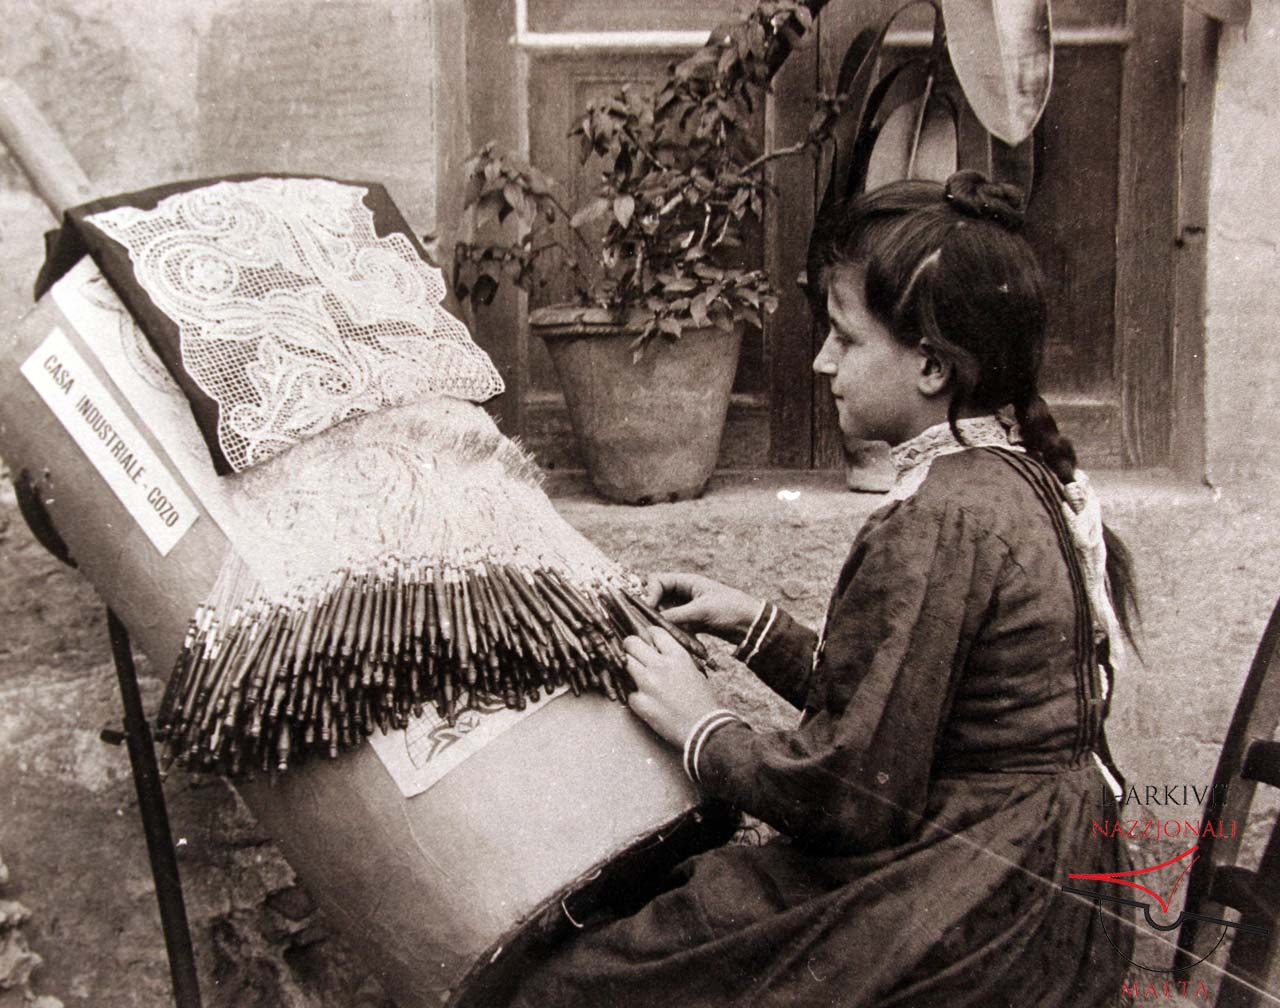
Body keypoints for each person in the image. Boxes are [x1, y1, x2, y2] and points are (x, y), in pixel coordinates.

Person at [509, 170, 1136, 1007]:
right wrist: (757, 624)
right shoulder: (1005, 476)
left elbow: (851, 797)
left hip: (979, 899)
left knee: (582, 984)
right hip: (1039, 868)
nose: (820, 361)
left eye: (845, 338)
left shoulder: (939, 521)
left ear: (930, 366)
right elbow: (910, 711)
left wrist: (704, 727)